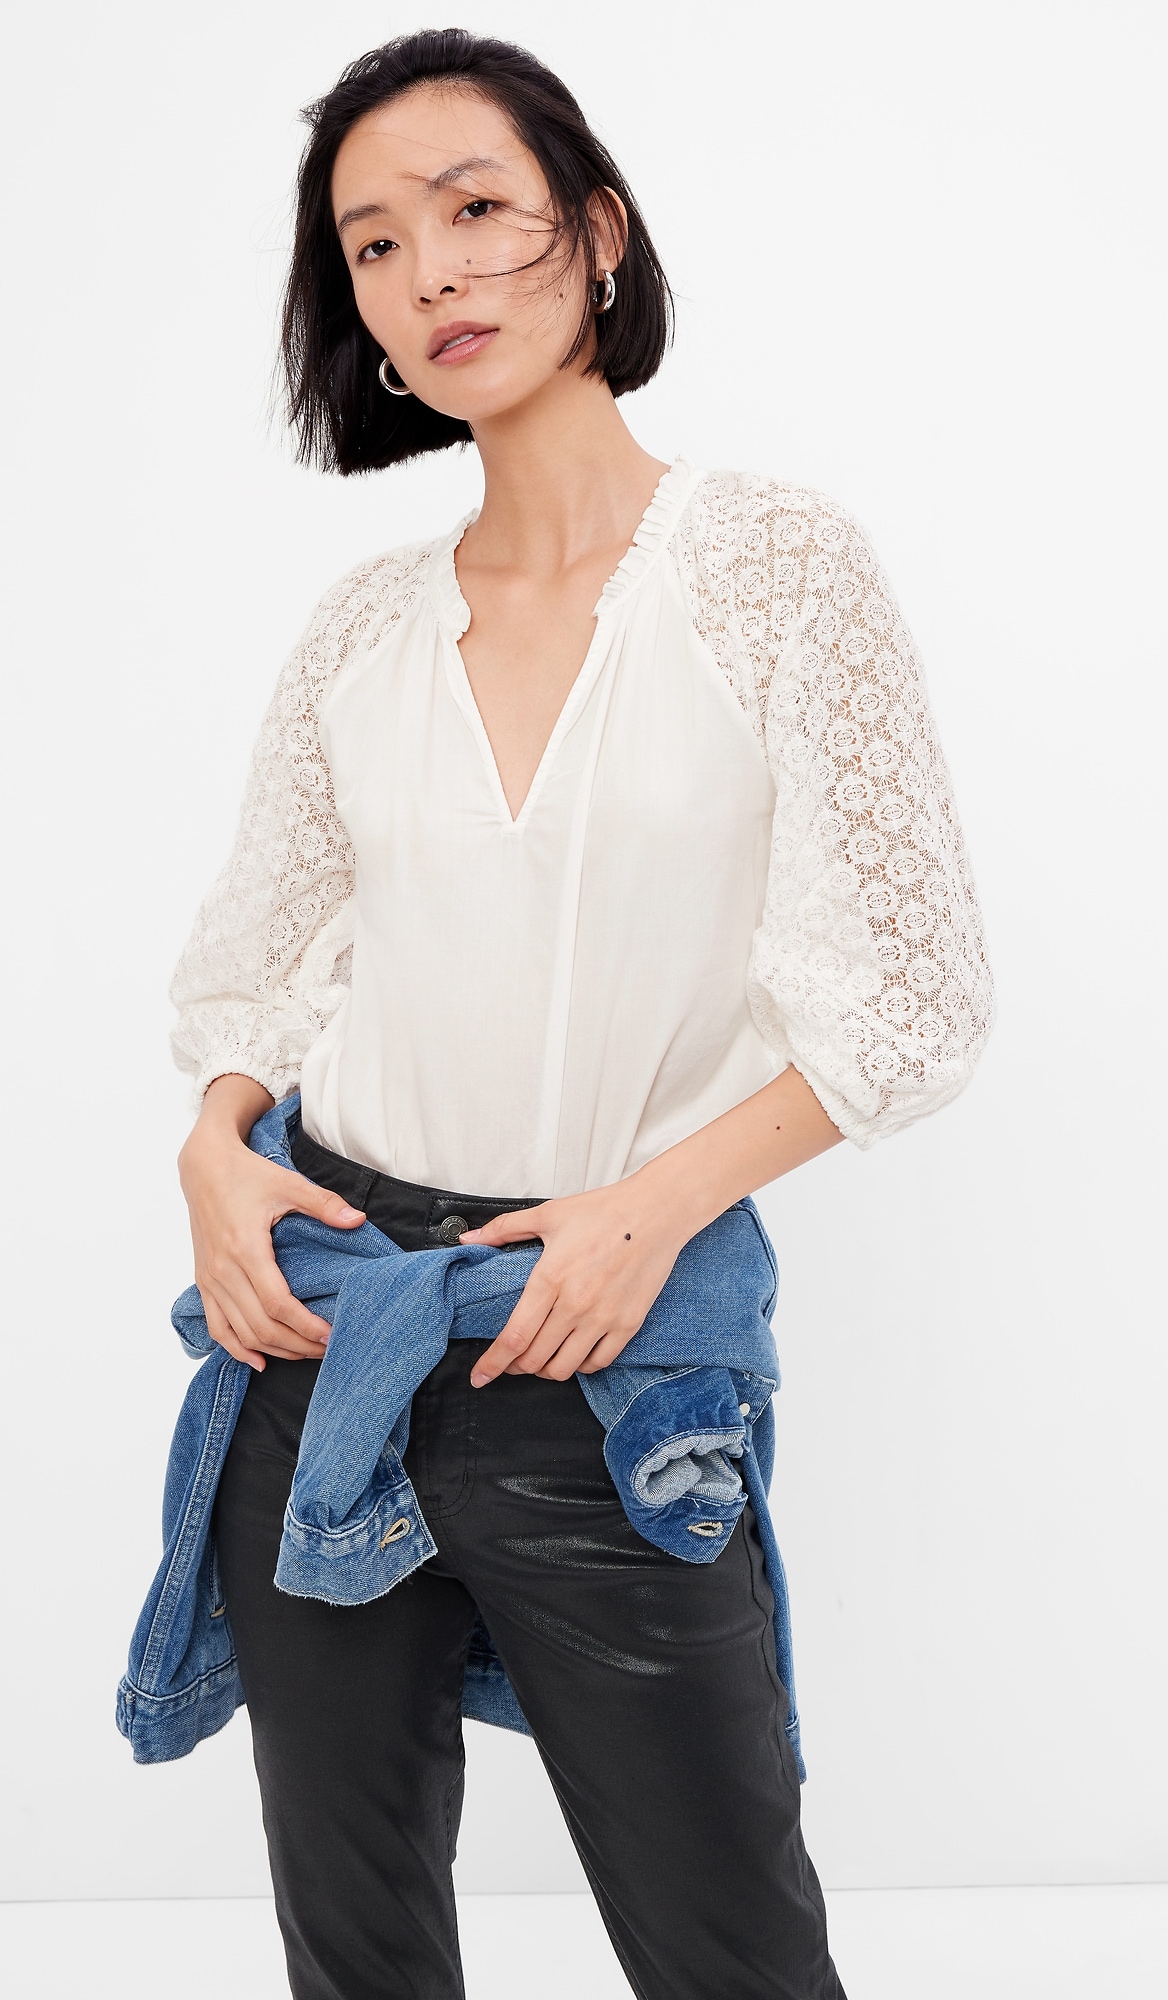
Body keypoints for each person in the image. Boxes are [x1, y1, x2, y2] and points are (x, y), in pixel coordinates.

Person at [167, 27, 990, 2000]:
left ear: (598, 235)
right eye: (374, 244)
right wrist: (214, 1148)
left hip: (607, 1342)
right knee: (356, 1946)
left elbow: (914, 993)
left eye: (475, 210)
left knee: (731, 1943)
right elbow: (257, 968)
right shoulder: (362, 627)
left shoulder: (774, 568)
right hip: (325, 1328)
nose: (429, 273)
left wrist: (651, 1210)